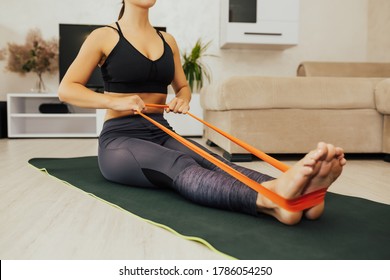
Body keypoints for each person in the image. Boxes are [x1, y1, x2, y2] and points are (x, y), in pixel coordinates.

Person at [58, 0, 347, 225]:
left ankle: (300, 193)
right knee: (180, 163)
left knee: (217, 162)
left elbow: (182, 87)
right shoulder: (103, 36)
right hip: (120, 141)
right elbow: (67, 89)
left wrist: (183, 99)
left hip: (161, 130)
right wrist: (114, 102)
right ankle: (271, 201)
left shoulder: (167, 41)